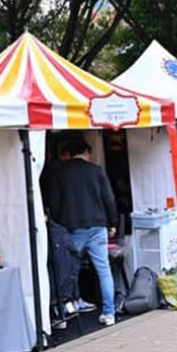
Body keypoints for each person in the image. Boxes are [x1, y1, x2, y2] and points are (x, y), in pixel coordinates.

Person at [44, 137, 118, 326]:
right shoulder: (97, 171)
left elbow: (54, 202)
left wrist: (57, 225)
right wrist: (112, 223)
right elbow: (108, 199)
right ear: (87, 152)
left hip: (72, 227)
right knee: (103, 270)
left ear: (69, 153)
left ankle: (63, 315)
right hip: (97, 225)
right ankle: (109, 313)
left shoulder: (60, 174)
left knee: (66, 270)